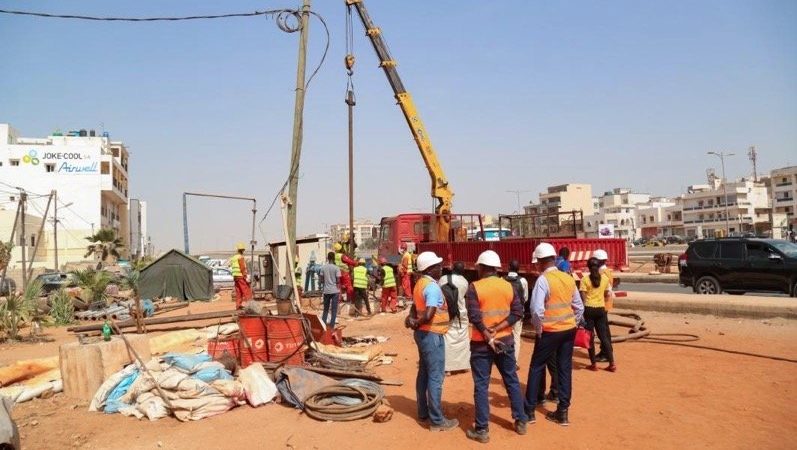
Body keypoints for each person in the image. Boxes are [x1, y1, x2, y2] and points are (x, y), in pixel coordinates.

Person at [465, 251, 528, 443]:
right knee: (511, 380)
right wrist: (498, 328)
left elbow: (474, 316)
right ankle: (520, 421)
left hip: (481, 344)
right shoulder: (508, 286)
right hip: (505, 340)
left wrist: (486, 331)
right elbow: (518, 312)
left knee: (481, 385)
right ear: (496, 268)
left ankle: (482, 430)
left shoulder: (475, 287)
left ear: (482, 267)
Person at [524, 242, 584, 426]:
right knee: (564, 369)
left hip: (549, 331)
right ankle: (562, 412)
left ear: (541, 262)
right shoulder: (567, 277)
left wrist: (539, 329)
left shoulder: (543, 280)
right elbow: (579, 307)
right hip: (568, 331)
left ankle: (529, 411)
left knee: (536, 367)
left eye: (536, 262)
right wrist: (572, 322)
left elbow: (536, 310)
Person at [404, 251, 458, 432]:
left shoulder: (420, 284)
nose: (441, 268)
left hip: (424, 335)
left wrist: (412, 321)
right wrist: (416, 322)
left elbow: (414, 308)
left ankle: (423, 412)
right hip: (432, 335)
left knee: (424, 373)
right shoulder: (433, 287)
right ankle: (437, 420)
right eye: (437, 266)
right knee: (435, 376)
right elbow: (428, 315)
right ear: (429, 268)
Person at [580, 257, 616, 372]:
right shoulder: (604, 279)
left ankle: (594, 364)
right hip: (601, 309)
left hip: (589, 310)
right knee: (604, 337)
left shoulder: (585, 279)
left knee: (590, 337)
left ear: (589, 267)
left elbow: (583, 297)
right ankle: (612, 363)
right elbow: (607, 294)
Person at [441, 261, 470, 373]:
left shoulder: (443, 279)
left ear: (452, 268)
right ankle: (462, 366)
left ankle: (447, 368)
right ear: (462, 271)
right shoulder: (464, 282)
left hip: (447, 312)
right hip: (460, 313)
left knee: (447, 338)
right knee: (462, 338)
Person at [504, 260, 528, 368]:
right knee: (516, 336)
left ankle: (504, 359)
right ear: (518, 269)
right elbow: (525, 298)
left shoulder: (502, 280)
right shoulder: (523, 281)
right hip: (518, 313)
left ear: (508, 267)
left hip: (505, 313)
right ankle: (514, 362)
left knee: (504, 334)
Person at [593, 249, 614, 361]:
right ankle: (605, 351)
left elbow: (606, 291)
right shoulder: (606, 271)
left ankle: (606, 353)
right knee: (604, 329)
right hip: (603, 304)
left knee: (603, 331)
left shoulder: (603, 273)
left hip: (602, 305)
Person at [319, 251, 341, 328]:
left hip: (326, 291)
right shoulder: (336, 268)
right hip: (335, 291)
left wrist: (326, 281)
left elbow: (321, 280)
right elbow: (338, 281)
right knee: (334, 310)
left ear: (328, 258)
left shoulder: (323, 268)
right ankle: (331, 327)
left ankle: (323, 326)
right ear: (334, 258)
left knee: (325, 310)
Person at [229, 243, 252, 309]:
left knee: (238, 291)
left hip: (235, 277)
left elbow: (232, 267)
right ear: (242, 250)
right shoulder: (240, 257)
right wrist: (245, 276)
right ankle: (251, 306)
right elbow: (242, 268)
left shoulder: (233, 258)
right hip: (240, 276)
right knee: (246, 290)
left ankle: (238, 305)